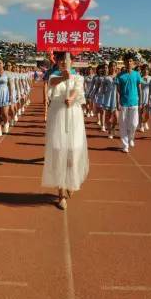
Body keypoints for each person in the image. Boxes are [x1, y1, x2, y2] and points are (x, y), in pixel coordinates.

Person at [42, 52, 88, 210]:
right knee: (58, 151)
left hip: (73, 118)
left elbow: (78, 91)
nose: (64, 62)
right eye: (61, 60)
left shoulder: (78, 78)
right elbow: (53, 85)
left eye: (67, 60)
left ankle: (70, 181)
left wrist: (72, 98)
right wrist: (64, 77)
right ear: (57, 62)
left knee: (73, 151)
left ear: (73, 62)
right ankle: (61, 193)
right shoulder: (53, 77)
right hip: (58, 117)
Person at [116, 54, 142, 153]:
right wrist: (118, 102)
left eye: (130, 61)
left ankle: (131, 137)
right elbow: (118, 91)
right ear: (124, 62)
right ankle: (125, 145)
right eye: (127, 61)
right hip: (123, 103)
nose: (129, 63)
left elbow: (139, 88)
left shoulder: (137, 74)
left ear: (133, 62)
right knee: (123, 124)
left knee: (134, 124)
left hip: (134, 102)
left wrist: (140, 101)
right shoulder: (120, 75)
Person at [98, 61, 119, 139]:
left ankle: (113, 128)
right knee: (109, 117)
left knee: (116, 118)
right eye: (111, 66)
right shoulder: (106, 78)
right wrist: (101, 98)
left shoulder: (118, 76)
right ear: (109, 67)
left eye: (114, 66)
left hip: (116, 98)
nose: (113, 67)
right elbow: (102, 89)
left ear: (116, 67)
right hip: (108, 98)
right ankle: (110, 131)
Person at [139, 64, 151, 131]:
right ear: (142, 70)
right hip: (141, 95)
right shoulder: (139, 78)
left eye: (147, 69)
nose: (145, 71)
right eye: (144, 69)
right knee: (141, 112)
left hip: (148, 96)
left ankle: (145, 122)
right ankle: (141, 125)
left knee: (148, 114)